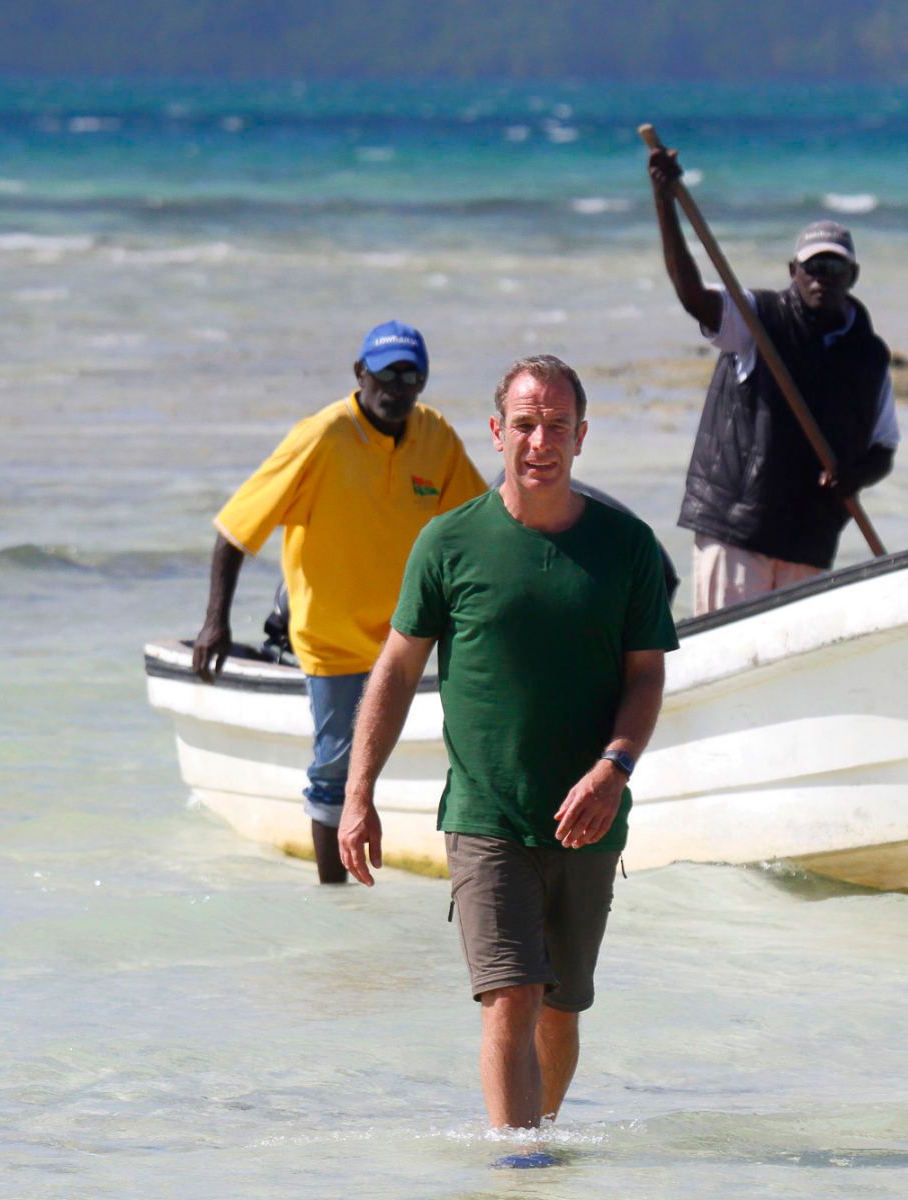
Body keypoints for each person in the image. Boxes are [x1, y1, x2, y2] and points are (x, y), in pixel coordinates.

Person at [338, 355, 678, 1137]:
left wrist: (614, 769)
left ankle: (539, 1145)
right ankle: (517, 1167)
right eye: (525, 424)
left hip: (590, 817)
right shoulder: (449, 541)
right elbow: (395, 670)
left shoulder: (626, 546)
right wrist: (358, 793)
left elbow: (647, 676)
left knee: (560, 1008)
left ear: (582, 436)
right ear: (497, 432)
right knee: (511, 997)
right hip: (486, 812)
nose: (540, 441)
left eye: (557, 425)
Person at [191, 320, 487, 883]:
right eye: (387, 375)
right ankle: (336, 899)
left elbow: (478, 526)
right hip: (332, 641)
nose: (398, 388)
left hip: (408, 638)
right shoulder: (321, 436)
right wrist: (215, 623)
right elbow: (235, 531)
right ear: (360, 374)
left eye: (412, 378)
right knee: (335, 773)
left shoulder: (436, 436)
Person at [647, 146, 901, 615]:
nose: (822, 278)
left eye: (834, 268)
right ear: (793, 272)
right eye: (813, 267)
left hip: (811, 542)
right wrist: (665, 202)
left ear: (853, 275)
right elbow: (693, 296)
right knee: (730, 651)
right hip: (737, 533)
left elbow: (883, 448)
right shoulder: (755, 320)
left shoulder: (869, 356)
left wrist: (853, 476)